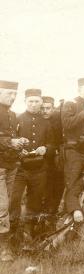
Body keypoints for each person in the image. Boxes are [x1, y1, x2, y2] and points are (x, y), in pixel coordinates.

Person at [9, 89, 53, 245]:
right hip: (20, 169)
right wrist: (19, 148)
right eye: (31, 101)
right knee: (14, 200)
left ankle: (29, 233)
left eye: (37, 101)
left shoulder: (47, 122)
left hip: (39, 169)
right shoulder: (17, 119)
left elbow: (52, 143)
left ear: (41, 102)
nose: (34, 104)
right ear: (25, 102)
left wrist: (45, 148)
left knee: (34, 201)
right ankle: (11, 235)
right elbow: (10, 140)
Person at [0, 80, 28, 261]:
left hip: (10, 165)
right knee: (2, 207)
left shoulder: (11, 114)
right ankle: (4, 248)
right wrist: (11, 142)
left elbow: (11, 137)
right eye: (9, 93)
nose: (13, 97)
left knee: (8, 205)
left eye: (14, 94)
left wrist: (19, 145)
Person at [62, 77, 84, 190]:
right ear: (79, 90)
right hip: (74, 151)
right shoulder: (70, 103)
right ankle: (68, 207)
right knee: (71, 183)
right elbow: (67, 124)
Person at [41, 96, 65, 216]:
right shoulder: (38, 120)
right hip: (42, 159)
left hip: (57, 158)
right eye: (42, 108)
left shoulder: (59, 120)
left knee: (59, 184)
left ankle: (53, 211)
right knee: (45, 186)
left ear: (53, 108)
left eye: (48, 108)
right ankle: (44, 211)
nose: (45, 111)